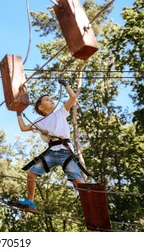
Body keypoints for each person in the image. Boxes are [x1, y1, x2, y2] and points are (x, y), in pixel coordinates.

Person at [16, 77, 87, 210]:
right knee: (31, 174)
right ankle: (30, 202)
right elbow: (24, 128)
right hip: (51, 152)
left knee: (78, 182)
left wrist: (65, 84)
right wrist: (18, 113)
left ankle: (90, 201)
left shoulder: (60, 113)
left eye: (50, 98)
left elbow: (72, 98)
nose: (51, 99)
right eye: (47, 99)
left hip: (65, 151)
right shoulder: (39, 122)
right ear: (41, 107)